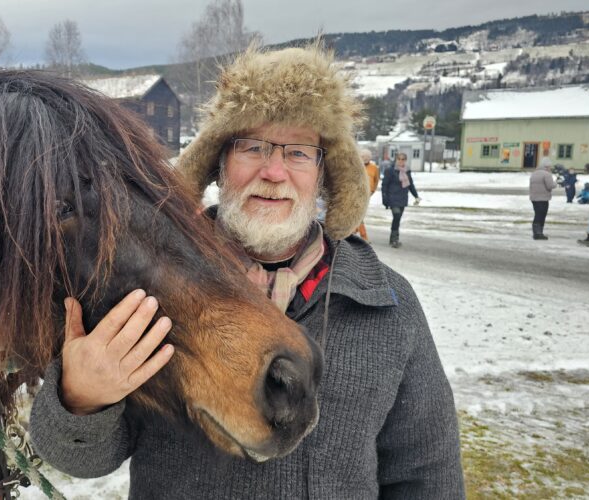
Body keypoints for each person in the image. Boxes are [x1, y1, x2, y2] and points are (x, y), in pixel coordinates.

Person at [30, 45, 465, 499]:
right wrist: (79, 397)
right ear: (219, 164)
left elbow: (426, 476)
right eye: (253, 147)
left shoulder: (387, 305)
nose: (274, 171)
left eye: (297, 152)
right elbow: (81, 459)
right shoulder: (147, 276)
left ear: (323, 173)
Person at [381, 152, 420, 248]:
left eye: (403, 159)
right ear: (396, 160)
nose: (401, 161)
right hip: (392, 198)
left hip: (403, 198)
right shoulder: (390, 171)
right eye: (399, 159)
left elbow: (410, 185)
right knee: (397, 215)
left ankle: (394, 239)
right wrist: (384, 197)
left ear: (405, 161)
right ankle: (394, 239)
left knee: (397, 219)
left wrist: (416, 196)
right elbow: (384, 185)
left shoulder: (407, 171)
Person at [356, 148, 379, 241]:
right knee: (359, 215)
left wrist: (373, 191)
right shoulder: (356, 166)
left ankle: (354, 231)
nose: (365, 159)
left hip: (367, 195)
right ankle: (363, 236)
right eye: (363, 157)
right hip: (357, 194)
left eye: (367, 157)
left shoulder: (374, 168)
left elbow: (376, 180)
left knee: (360, 215)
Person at [529, 157, 556, 240]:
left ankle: (536, 232)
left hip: (534, 198)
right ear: (547, 166)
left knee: (537, 214)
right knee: (541, 215)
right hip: (543, 198)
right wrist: (556, 183)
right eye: (550, 166)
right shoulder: (547, 174)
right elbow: (550, 186)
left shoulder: (534, 173)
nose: (550, 168)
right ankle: (539, 233)